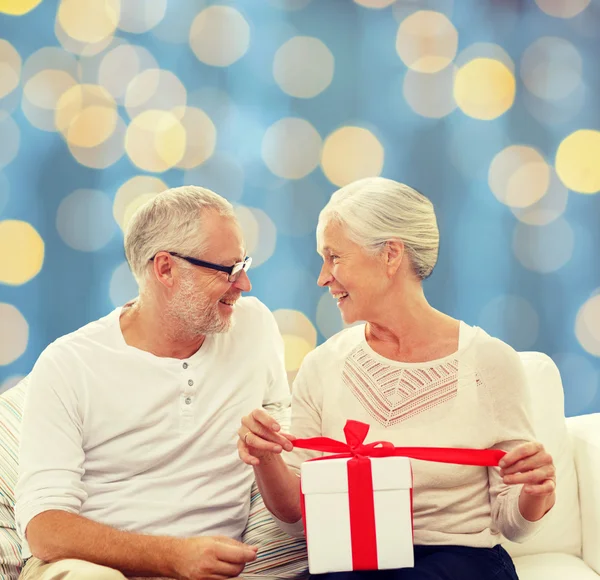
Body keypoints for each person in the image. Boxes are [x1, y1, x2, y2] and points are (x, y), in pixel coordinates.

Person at [238, 177, 556, 580]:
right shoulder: (323, 366)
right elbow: (297, 519)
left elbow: (513, 523)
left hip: (460, 563)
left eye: (334, 257)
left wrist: (535, 492)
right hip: (354, 562)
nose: (322, 277)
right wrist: (265, 458)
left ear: (390, 255)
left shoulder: (489, 364)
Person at [16, 186, 290, 580]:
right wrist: (172, 556)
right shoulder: (69, 364)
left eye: (243, 264)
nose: (244, 284)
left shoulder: (254, 328)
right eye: (228, 270)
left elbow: (289, 491)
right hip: (89, 568)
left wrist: (266, 452)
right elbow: (45, 529)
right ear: (165, 269)